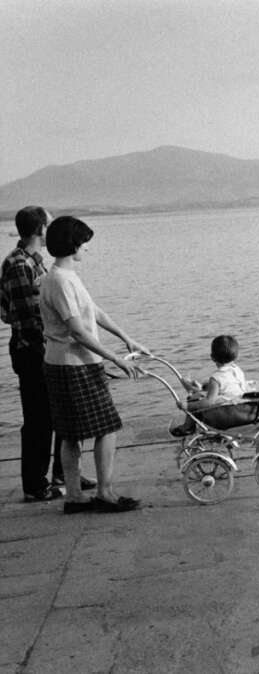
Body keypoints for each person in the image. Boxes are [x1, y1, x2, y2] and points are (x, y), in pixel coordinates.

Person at [39, 215, 148, 514]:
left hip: (64, 363)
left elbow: (93, 312)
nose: (87, 249)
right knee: (107, 426)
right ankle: (105, 492)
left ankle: (75, 496)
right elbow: (76, 330)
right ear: (73, 244)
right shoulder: (60, 280)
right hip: (72, 364)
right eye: (84, 243)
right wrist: (114, 358)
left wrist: (126, 338)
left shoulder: (62, 276)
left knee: (71, 432)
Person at [2, 206, 95, 501]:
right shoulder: (19, 264)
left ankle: (63, 474)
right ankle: (34, 484)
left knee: (60, 412)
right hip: (32, 349)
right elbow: (27, 316)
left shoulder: (36, 262)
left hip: (44, 346)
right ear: (40, 229)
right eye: (49, 224)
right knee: (39, 417)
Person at [170, 335, 248, 436]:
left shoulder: (216, 378)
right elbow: (227, 386)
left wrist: (188, 406)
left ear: (212, 357)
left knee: (194, 398)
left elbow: (208, 402)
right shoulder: (237, 370)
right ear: (236, 356)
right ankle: (194, 388)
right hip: (240, 408)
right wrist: (204, 387)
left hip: (225, 414)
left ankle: (187, 427)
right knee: (201, 391)